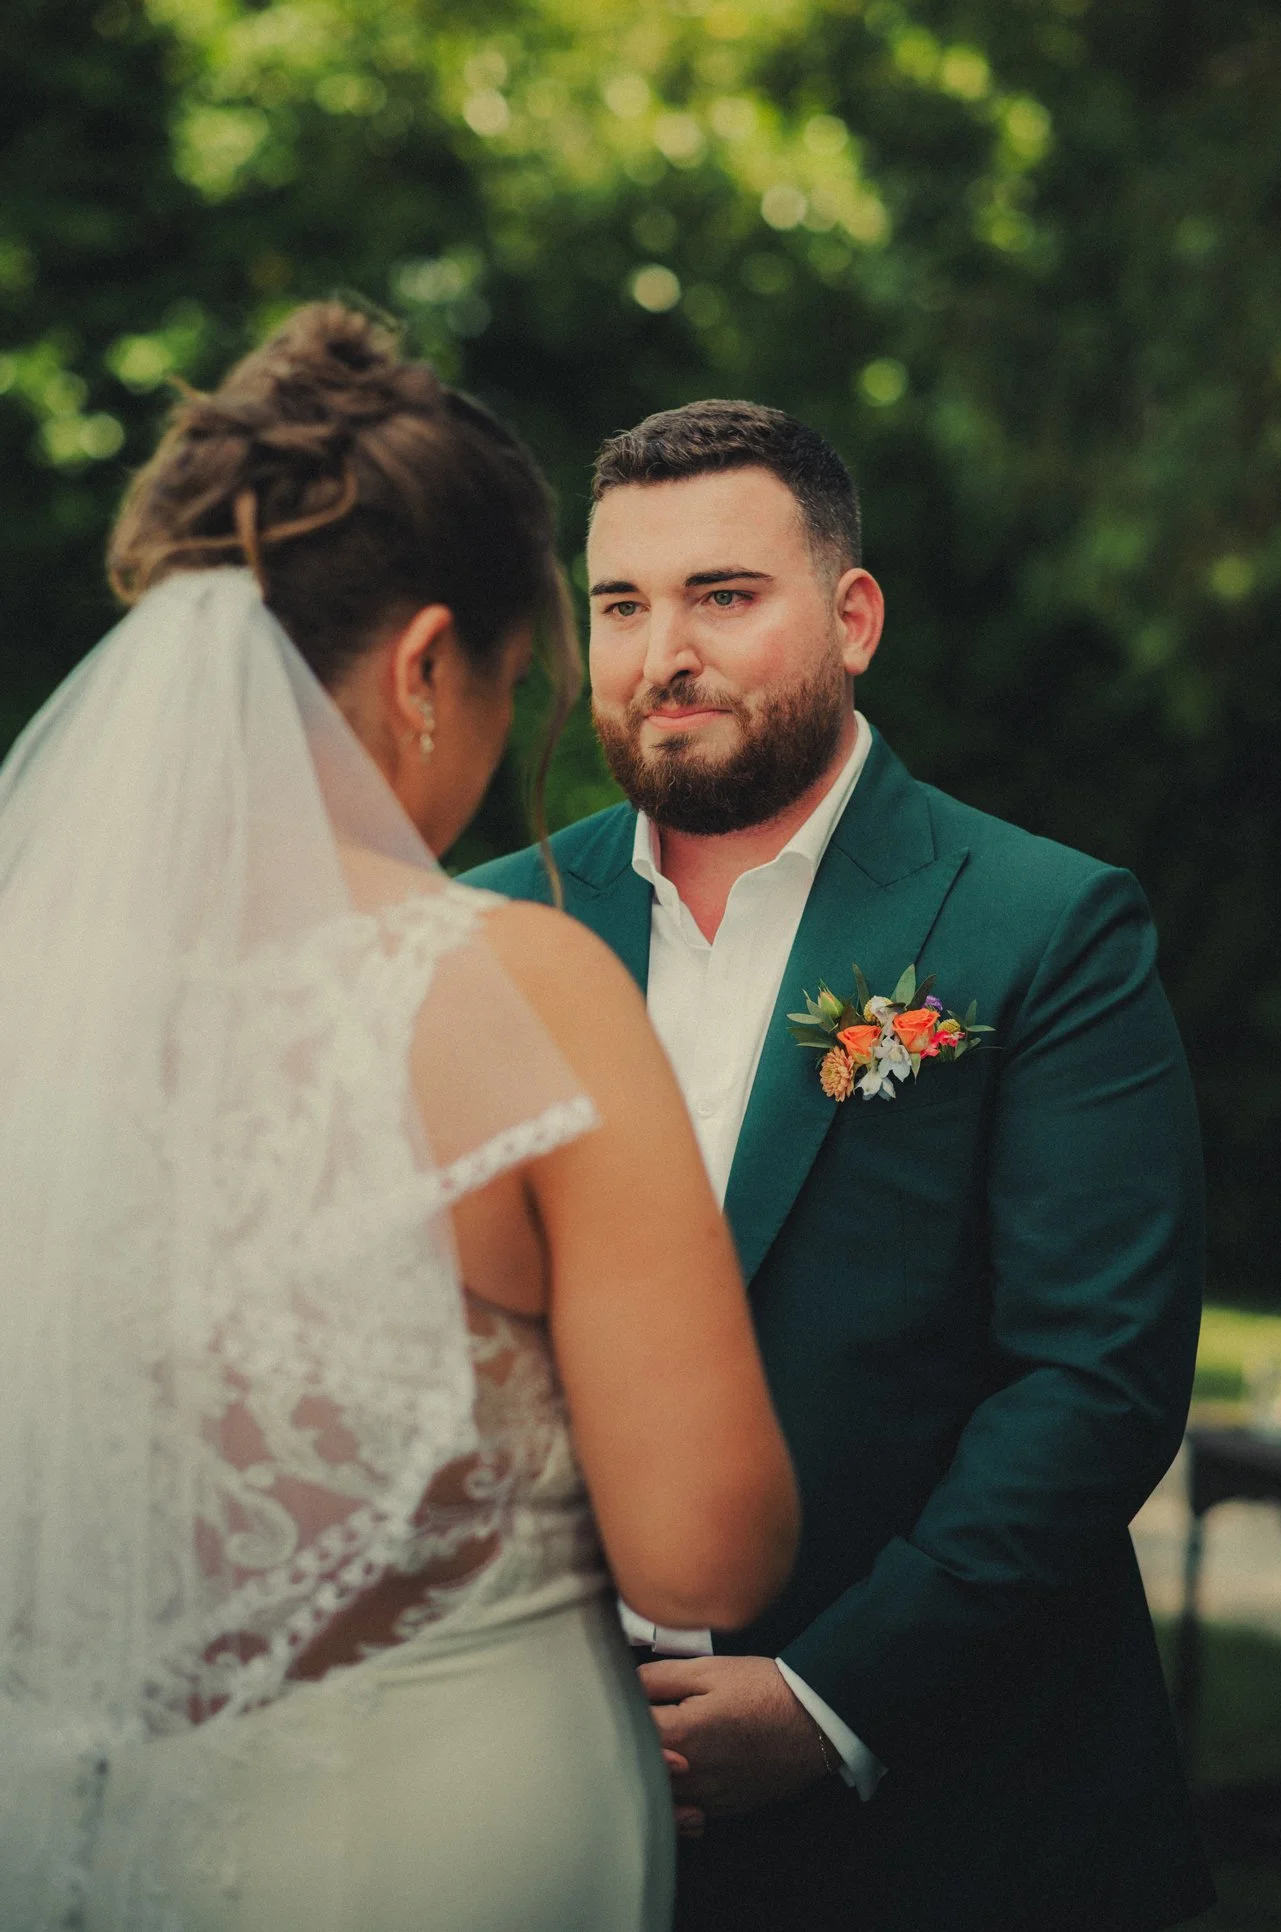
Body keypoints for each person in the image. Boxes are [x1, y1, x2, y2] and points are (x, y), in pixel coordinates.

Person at [0, 314, 799, 1932]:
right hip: (435, 1839)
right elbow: (706, 1556)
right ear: (428, 664)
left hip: (95, 1837)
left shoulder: (36, 998)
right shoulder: (514, 987)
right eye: (515, 685)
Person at [463, 400, 1217, 1932]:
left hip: (952, 1823)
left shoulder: (1045, 924)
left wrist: (829, 1701)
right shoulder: (490, 931)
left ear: (852, 616)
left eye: (723, 597)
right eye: (621, 604)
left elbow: (1095, 1379)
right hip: (538, 1799)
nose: (662, 649)